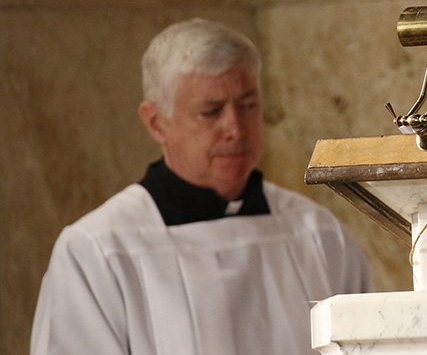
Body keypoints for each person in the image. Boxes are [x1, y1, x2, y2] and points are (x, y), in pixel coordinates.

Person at [31, 18, 371, 354]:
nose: (235, 129)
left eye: (248, 106)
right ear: (156, 123)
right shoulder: (97, 251)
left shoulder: (317, 232)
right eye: (211, 111)